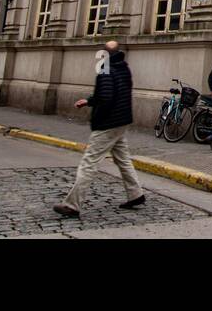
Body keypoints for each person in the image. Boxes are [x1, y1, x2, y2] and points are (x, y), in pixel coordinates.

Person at [54, 40, 145, 218]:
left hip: (108, 122)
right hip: (122, 120)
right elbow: (114, 92)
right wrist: (89, 101)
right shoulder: (124, 67)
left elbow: (106, 96)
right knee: (123, 159)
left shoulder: (105, 69)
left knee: (89, 162)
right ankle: (136, 194)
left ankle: (72, 205)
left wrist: (97, 116)